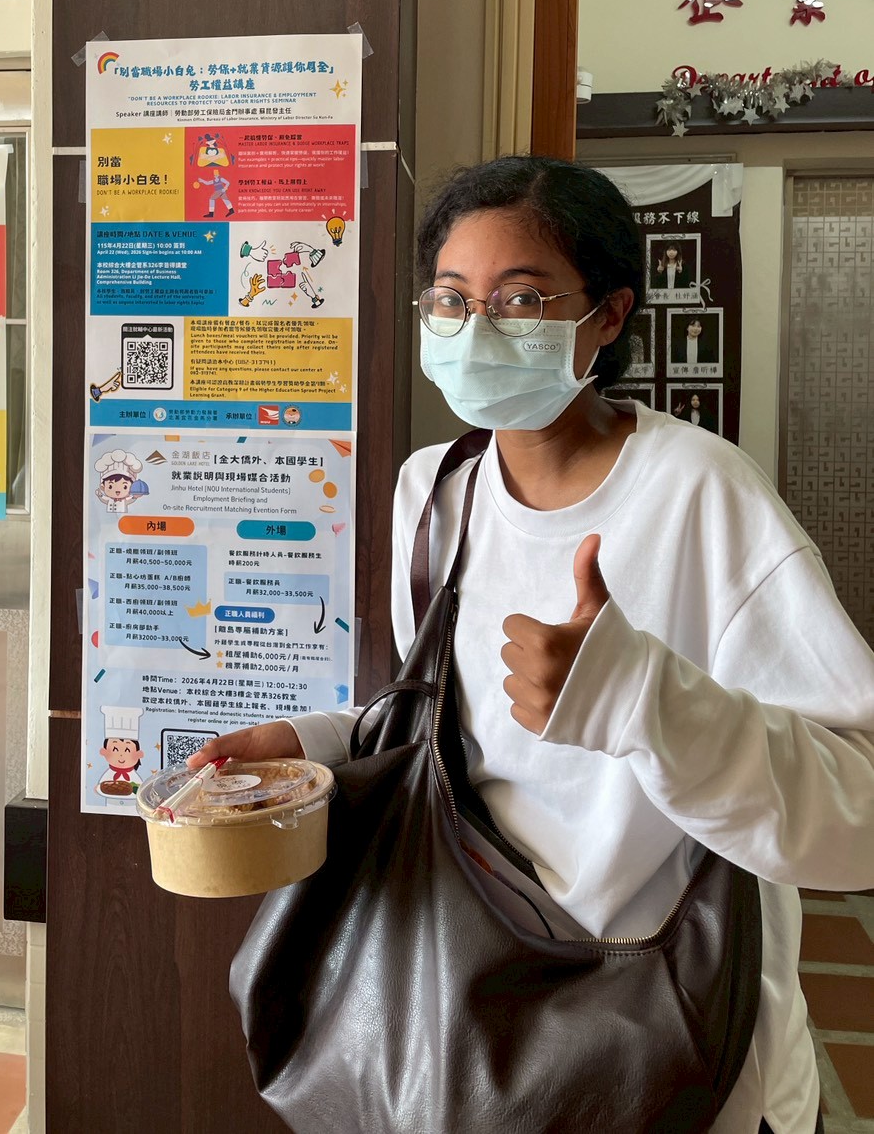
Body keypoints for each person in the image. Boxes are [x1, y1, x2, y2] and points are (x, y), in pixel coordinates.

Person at [191, 157, 874, 1134]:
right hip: (472, 1009)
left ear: (607, 315)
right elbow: (441, 725)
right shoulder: (434, 491)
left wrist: (643, 701)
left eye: (519, 299)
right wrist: (312, 745)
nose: (476, 329)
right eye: (452, 299)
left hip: (670, 1032)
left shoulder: (701, 495)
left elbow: (858, 809)